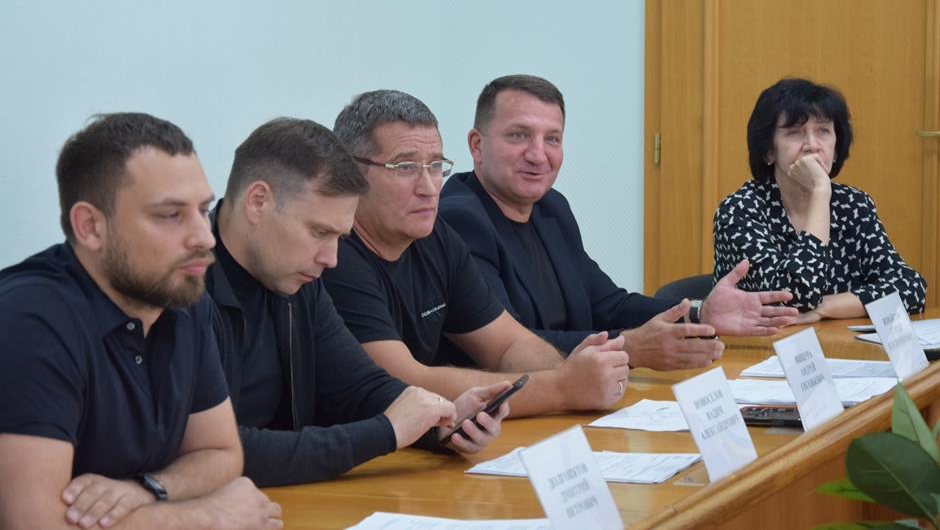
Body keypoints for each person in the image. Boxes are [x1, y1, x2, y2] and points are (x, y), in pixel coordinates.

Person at [0, 113, 281, 530]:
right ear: (91, 227)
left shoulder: (180, 295)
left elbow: (221, 454)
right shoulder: (29, 318)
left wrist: (146, 489)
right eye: (170, 215)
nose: (205, 237)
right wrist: (208, 516)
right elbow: (35, 524)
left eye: (203, 209)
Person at [207, 118, 508, 488]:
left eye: (339, 236)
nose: (331, 258)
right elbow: (216, 450)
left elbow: (358, 386)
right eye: (320, 232)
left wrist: (441, 419)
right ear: (258, 202)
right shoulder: (182, 291)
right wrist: (386, 432)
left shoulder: (298, 281)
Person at [438, 74, 798, 371]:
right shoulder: (459, 219)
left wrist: (700, 313)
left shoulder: (551, 208)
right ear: (477, 145)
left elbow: (608, 304)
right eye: (519, 135)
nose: (538, 154)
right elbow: (515, 346)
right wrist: (630, 347)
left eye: (552, 139)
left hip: (577, 394)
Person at [323, 90, 630, 417]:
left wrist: (568, 372)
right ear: (351, 174)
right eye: (405, 166)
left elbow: (508, 344)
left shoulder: (435, 237)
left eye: (436, 166)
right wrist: (562, 387)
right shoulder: (334, 254)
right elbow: (406, 385)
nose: (428, 187)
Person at [713, 77, 927, 321]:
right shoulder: (739, 210)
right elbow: (795, 298)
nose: (812, 145)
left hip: (837, 341)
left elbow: (911, 288)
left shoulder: (853, 204)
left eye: (823, 131)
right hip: (760, 344)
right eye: (794, 132)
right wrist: (820, 193)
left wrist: (824, 308)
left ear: (835, 149)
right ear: (769, 151)